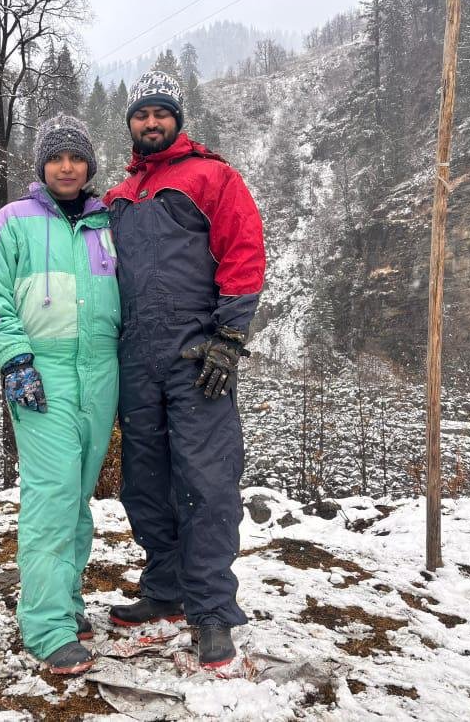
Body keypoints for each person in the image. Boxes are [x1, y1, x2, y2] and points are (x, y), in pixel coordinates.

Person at [102, 71, 266, 670]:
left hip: (196, 353)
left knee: (206, 478)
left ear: (178, 118)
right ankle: (165, 587)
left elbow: (244, 251)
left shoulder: (212, 177)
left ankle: (213, 611)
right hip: (133, 355)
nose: (151, 122)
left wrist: (229, 337)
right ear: (130, 123)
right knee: (144, 481)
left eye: (161, 112)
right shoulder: (118, 198)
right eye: (141, 114)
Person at [0, 114, 120, 675]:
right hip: (41, 375)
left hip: (101, 374)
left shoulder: (108, 225)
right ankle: (46, 626)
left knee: (76, 499)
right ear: (41, 165)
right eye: (56, 158)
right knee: (51, 497)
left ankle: (67, 604)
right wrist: (14, 358)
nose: (67, 167)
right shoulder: (11, 223)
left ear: (89, 165)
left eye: (76, 157)